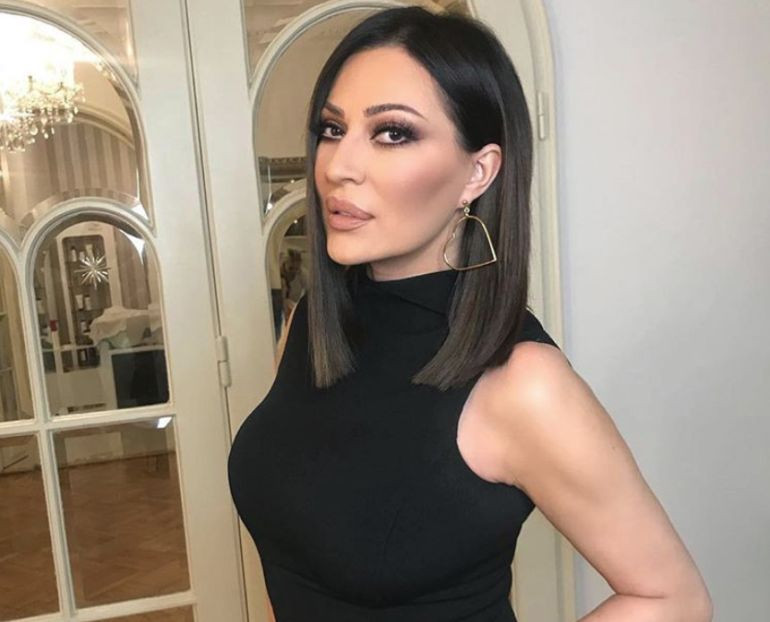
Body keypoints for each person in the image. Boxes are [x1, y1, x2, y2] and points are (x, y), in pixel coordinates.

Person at [228, 6, 713, 622]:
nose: (337, 167)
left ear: (477, 172)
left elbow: (673, 598)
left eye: (392, 133)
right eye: (332, 128)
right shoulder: (309, 327)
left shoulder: (521, 382)